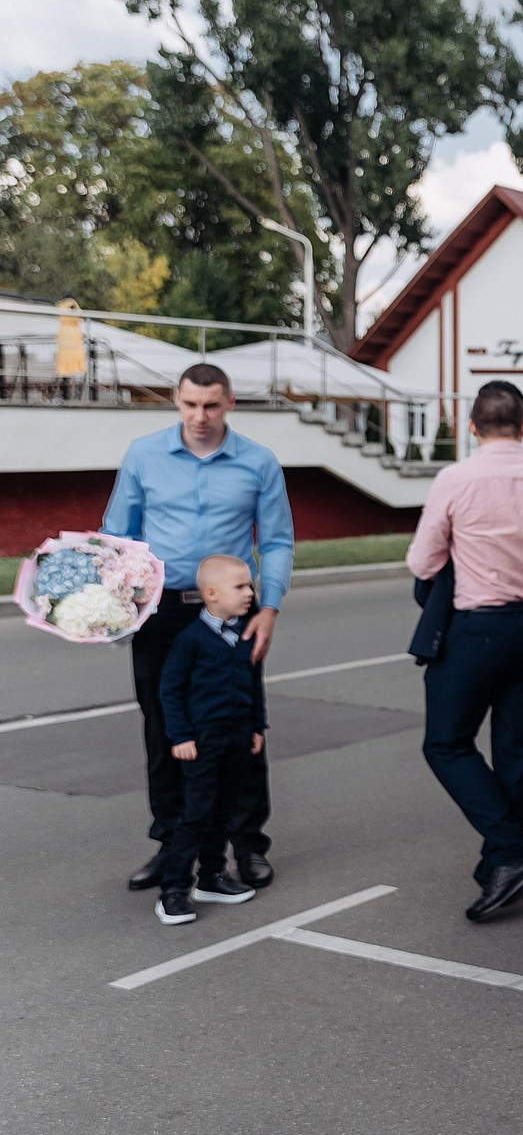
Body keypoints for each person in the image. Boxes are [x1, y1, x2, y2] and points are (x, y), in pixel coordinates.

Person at [105, 362, 293, 896]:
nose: (200, 416)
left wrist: (269, 608)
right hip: (159, 613)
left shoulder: (258, 462)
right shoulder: (144, 454)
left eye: (211, 405)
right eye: (190, 404)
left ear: (230, 402)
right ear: (176, 400)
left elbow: (276, 541)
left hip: (230, 616)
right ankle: (171, 846)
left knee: (238, 730)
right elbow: (118, 534)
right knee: (166, 728)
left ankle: (247, 845)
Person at [406, 380, 523, 922]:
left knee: (445, 742)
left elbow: (421, 561)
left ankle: (510, 850)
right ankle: (502, 860)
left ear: (471, 426)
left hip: (476, 626)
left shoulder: (456, 477)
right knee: (514, 749)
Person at [152, 554, 267, 926]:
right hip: (201, 742)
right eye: (241, 586)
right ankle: (173, 890)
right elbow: (170, 689)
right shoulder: (192, 640)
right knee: (196, 814)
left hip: (236, 739)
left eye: (250, 585)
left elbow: (252, 685)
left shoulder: (243, 634)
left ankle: (212, 877)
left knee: (224, 810)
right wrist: (180, 735)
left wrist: (256, 727)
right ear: (212, 594)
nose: (250, 593)